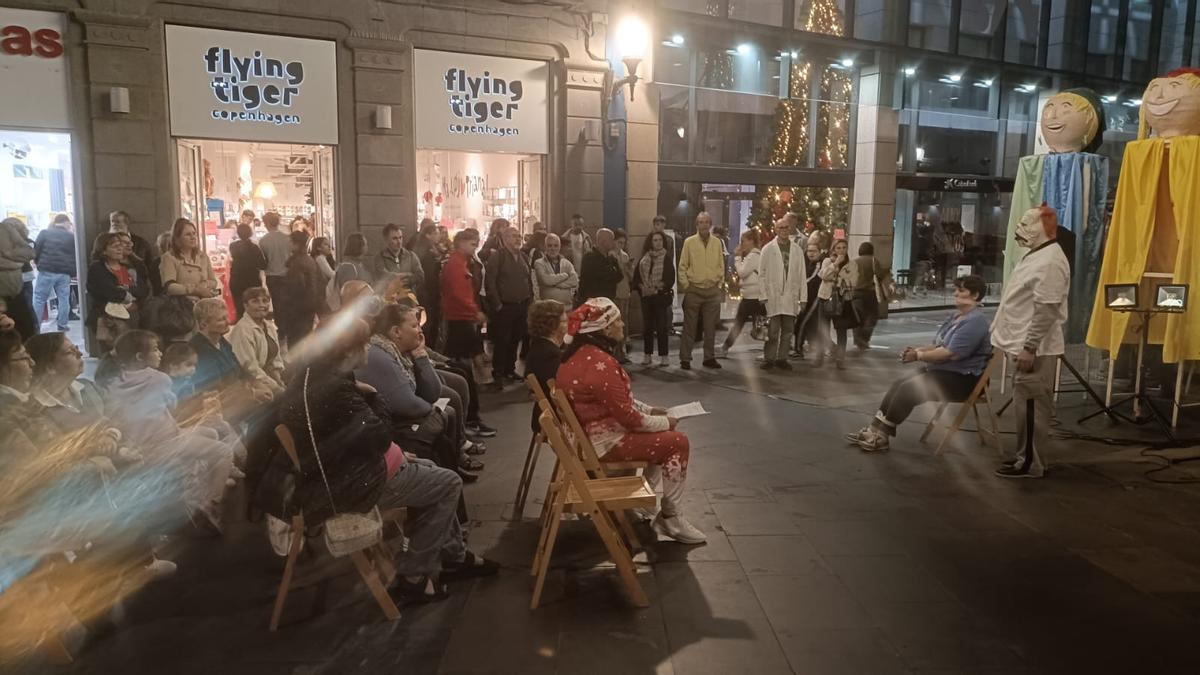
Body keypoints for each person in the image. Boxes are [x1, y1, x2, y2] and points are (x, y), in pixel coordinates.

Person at [269, 317, 495, 602]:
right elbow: (380, 433)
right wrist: (374, 396)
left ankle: (454, 556)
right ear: (348, 350)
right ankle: (414, 574)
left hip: (345, 473)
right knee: (448, 483)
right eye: (364, 344)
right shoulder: (335, 389)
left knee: (432, 468)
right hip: (351, 486)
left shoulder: (313, 376)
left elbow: (361, 439)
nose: (368, 350)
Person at [557, 298, 705, 544]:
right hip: (604, 443)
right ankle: (671, 517)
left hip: (589, 438)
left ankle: (643, 503)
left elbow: (617, 401)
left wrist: (652, 411)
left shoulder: (579, 357)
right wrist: (667, 422)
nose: (623, 324)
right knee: (677, 442)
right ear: (606, 329)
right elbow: (630, 418)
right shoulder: (600, 364)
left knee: (661, 438)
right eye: (618, 321)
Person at [104, 330, 235, 530]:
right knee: (224, 452)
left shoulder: (114, 382)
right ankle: (210, 502)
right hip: (165, 441)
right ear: (140, 357)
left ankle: (193, 488)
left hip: (140, 442)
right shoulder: (159, 379)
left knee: (210, 433)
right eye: (155, 349)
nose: (160, 354)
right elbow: (172, 404)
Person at [846, 276, 992, 452]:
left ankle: (882, 435)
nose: (955, 294)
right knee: (899, 383)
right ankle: (874, 429)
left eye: (961, 291)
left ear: (975, 295)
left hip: (964, 379)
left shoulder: (975, 321)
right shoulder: (957, 317)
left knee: (909, 389)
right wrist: (917, 350)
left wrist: (918, 355)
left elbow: (951, 353)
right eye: (956, 289)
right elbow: (939, 345)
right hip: (946, 372)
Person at [356, 304, 483, 481]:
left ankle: (452, 466)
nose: (420, 330)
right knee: (444, 414)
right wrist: (433, 410)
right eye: (414, 326)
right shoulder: (380, 356)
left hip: (400, 417)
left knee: (447, 415)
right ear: (396, 332)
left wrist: (420, 354)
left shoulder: (402, 351)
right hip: (391, 430)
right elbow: (408, 405)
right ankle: (447, 473)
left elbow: (432, 393)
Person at [991, 206, 1071, 479]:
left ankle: (1029, 463)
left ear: (1044, 227)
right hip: (1023, 344)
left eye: (1027, 223)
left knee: (1032, 407)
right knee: (1025, 405)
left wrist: (1029, 347)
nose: (1020, 228)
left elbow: (1046, 308)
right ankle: (1025, 458)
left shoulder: (1049, 262)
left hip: (1034, 349)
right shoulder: (1037, 256)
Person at [484, 225, 533, 384]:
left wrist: (529, 300)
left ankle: (510, 369)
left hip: (521, 305)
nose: (518, 239)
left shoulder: (524, 257)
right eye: (514, 236)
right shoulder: (497, 257)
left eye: (519, 236)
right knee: (502, 340)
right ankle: (498, 372)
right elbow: (490, 281)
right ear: (505, 239)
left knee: (515, 339)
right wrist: (497, 304)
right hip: (505, 306)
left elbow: (528, 280)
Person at [677, 212, 726, 370]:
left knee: (710, 328)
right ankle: (685, 358)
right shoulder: (689, 242)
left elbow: (721, 264)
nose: (704, 225)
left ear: (710, 224)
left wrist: (719, 285)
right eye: (701, 222)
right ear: (697, 225)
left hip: (712, 290)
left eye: (706, 222)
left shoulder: (717, 243)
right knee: (689, 327)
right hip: (694, 290)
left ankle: (709, 358)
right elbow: (682, 266)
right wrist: (686, 285)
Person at [87, 231, 150, 352]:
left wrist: (126, 291)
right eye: (115, 246)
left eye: (121, 246)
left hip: (131, 316)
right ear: (103, 250)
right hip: (108, 318)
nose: (120, 249)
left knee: (130, 351)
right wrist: (127, 294)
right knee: (111, 352)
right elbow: (109, 291)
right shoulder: (97, 268)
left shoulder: (127, 268)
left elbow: (142, 290)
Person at [759, 217, 807, 370]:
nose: (784, 230)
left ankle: (782, 358)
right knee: (773, 331)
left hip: (790, 296)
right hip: (773, 296)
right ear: (776, 229)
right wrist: (763, 295)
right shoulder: (768, 249)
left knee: (788, 330)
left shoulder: (797, 250)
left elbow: (802, 275)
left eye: (786, 227)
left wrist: (803, 298)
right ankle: (769, 358)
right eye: (781, 228)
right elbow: (761, 274)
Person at [440, 229, 488, 382]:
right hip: (459, 314)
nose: (475, 247)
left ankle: (474, 378)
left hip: (461, 313)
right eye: (472, 244)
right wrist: (475, 311)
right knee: (465, 350)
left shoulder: (461, 262)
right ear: (461, 243)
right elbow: (459, 293)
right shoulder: (456, 265)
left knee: (464, 350)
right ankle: (475, 379)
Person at [229, 287, 286, 398]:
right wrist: (275, 386)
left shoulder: (269, 326)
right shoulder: (242, 330)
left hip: (266, 376)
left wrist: (278, 379)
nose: (262, 305)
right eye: (255, 301)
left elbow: (276, 359)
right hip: (249, 380)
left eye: (265, 301)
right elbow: (250, 367)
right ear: (246, 305)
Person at [635, 230, 675, 367]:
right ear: (650, 242)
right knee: (647, 327)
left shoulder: (666, 258)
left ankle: (664, 356)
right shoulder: (644, 258)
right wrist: (642, 287)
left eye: (660, 240)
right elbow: (637, 277)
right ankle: (647, 354)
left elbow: (670, 278)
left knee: (662, 327)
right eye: (655, 240)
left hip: (660, 296)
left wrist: (657, 287)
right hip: (646, 297)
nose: (658, 243)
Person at [525, 299, 567, 433]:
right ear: (553, 326)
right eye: (564, 321)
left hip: (547, 413)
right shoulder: (550, 355)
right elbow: (561, 390)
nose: (568, 325)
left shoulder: (538, 347)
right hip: (556, 417)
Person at [721, 230, 764, 357]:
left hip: (752, 296)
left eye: (743, 241)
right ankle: (726, 346)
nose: (741, 244)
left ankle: (725, 347)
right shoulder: (754, 255)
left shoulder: (753, 256)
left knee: (740, 323)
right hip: (752, 295)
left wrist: (738, 257)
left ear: (751, 241)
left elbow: (742, 272)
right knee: (745, 323)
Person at [31, 213, 77, 333]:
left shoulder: (44, 233)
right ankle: (62, 325)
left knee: (39, 299)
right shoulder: (71, 237)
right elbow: (74, 255)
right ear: (65, 222)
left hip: (47, 270)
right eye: (69, 224)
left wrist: (38, 263)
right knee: (63, 299)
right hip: (64, 273)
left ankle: (36, 327)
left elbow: (36, 250)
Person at [160, 218, 220, 304]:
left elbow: (213, 281)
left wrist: (205, 285)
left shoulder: (203, 256)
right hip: (181, 306)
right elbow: (170, 287)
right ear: (177, 238)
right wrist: (195, 290)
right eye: (188, 234)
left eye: (194, 233)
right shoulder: (169, 258)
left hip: (204, 304)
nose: (193, 237)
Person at [818, 239, 857, 369]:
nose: (841, 250)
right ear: (833, 249)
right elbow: (823, 275)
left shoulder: (851, 264)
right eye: (838, 248)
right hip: (826, 298)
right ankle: (820, 356)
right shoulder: (827, 261)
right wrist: (835, 264)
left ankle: (840, 359)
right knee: (823, 328)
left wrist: (841, 280)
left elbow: (853, 281)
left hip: (842, 300)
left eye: (844, 247)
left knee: (841, 330)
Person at [280, 231, 323, 346]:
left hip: (299, 308)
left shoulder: (298, 263)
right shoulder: (307, 260)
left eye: (289, 242)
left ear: (296, 244)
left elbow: (296, 287)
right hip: (306, 307)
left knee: (296, 340)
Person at [410, 220, 445, 350]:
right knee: (430, 323)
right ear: (428, 235)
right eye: (435, 233)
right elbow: (429, 275)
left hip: (426, 292)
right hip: (429, 293)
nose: (438, 235)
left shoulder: (427, 249)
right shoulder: (428, 252)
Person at [0, 217, 37, 339]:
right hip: (8, 295)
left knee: (25, 326)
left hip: (16, 293)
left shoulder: (6, 230)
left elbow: (30, 253)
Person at [108, 210, 161, 294]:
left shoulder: (141, 243)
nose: (114, 225)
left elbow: (150, 268)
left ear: (126, 224)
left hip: (138, 288)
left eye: (117, 222)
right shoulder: (104, 243)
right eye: (112, 221)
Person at [372, 223, 425, 299]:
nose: (399, 241)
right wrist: (406, 274)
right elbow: (382, 275)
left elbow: (420, 275)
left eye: (400, 237)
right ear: (386, 240)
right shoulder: (379, 258)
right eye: (395, 238)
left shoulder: (411, 256)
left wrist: (410, 280)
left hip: (408, 300)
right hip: (389, 300)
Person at [851, 242, 889, 350]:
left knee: (857, 317)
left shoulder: (854, 262)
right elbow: (880, 275)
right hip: (869, 293)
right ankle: (864, 338)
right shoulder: (873, 261)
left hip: (855, 293)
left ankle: (857, 340)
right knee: (872, 316)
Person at [794, 241, 827, 360]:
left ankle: (798, 349)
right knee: (808, 325)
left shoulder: (820, 264)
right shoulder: (807, 263)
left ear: (819, 252)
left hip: (814, 298)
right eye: (809, 251)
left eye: (814, 251)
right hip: (806, 297)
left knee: (803, 323)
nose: (810, 253)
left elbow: (811, 279)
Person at [228, 222, 266, 320]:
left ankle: (241, 324)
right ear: (250, 233)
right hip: (252, 280)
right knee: (254, 307)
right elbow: (262, 265)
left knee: (239, 307)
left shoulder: (233, 246)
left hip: (236, 279)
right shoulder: (254, 248)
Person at [258, 212, 291, 324]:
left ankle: (279, 325)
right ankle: (287, 323)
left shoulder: (263, 240)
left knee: (277, 302)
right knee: (287, 302)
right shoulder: (287, 238)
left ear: (267, 223)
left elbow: (263, 260)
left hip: (272, 275)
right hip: (287, 274)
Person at [578, 228, 622, 304]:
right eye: (611, 240)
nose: (614, 243)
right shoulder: (589, 257)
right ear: (603, 241)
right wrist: (612, 271)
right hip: (593, 302)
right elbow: (604, 276)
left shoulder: (611, 258)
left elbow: (619, 276)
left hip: (609, 300)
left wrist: (612, 270)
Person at [532, 233, 579, 306]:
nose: (553, 249)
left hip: (566, 307)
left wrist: (557, 284)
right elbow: (546, 280)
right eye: (549, 245)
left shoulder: (567, 263)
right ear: (545, 247)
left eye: (556, 245)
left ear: (559, 247)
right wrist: (565, 275)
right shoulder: (539, 263)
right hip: (547, 308)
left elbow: (574, 281)